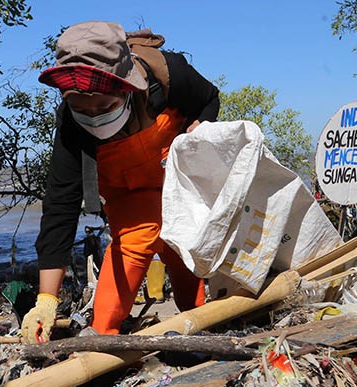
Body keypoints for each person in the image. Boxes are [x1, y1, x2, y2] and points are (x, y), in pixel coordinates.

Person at [21, 21, 220, 341]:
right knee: (133, 244)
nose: (93, 115)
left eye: (104, 106)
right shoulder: (72, 125)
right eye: (80, 107)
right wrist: (46, 301)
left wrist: (196, 134)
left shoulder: (168, 75)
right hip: (124, 195)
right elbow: (60, 204)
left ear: (126, 86)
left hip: (175, 179)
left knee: (181, 252)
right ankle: (102, 333)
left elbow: (209, 100)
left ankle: (196, 318)